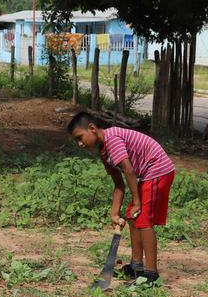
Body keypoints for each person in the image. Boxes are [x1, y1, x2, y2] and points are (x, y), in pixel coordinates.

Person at [67, 111, 175, 285]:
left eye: (80, 137)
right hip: (147, 174)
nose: (80, 144)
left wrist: (138, 202)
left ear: (92, 128)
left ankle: (152, 274)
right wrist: (114, 213)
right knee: (132, 215)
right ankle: (136, 266)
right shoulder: (104, 152)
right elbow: (119, 185)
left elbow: (129, 170)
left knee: (143, 218)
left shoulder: (112, 140)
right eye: (76, 141)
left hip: (158, 169)